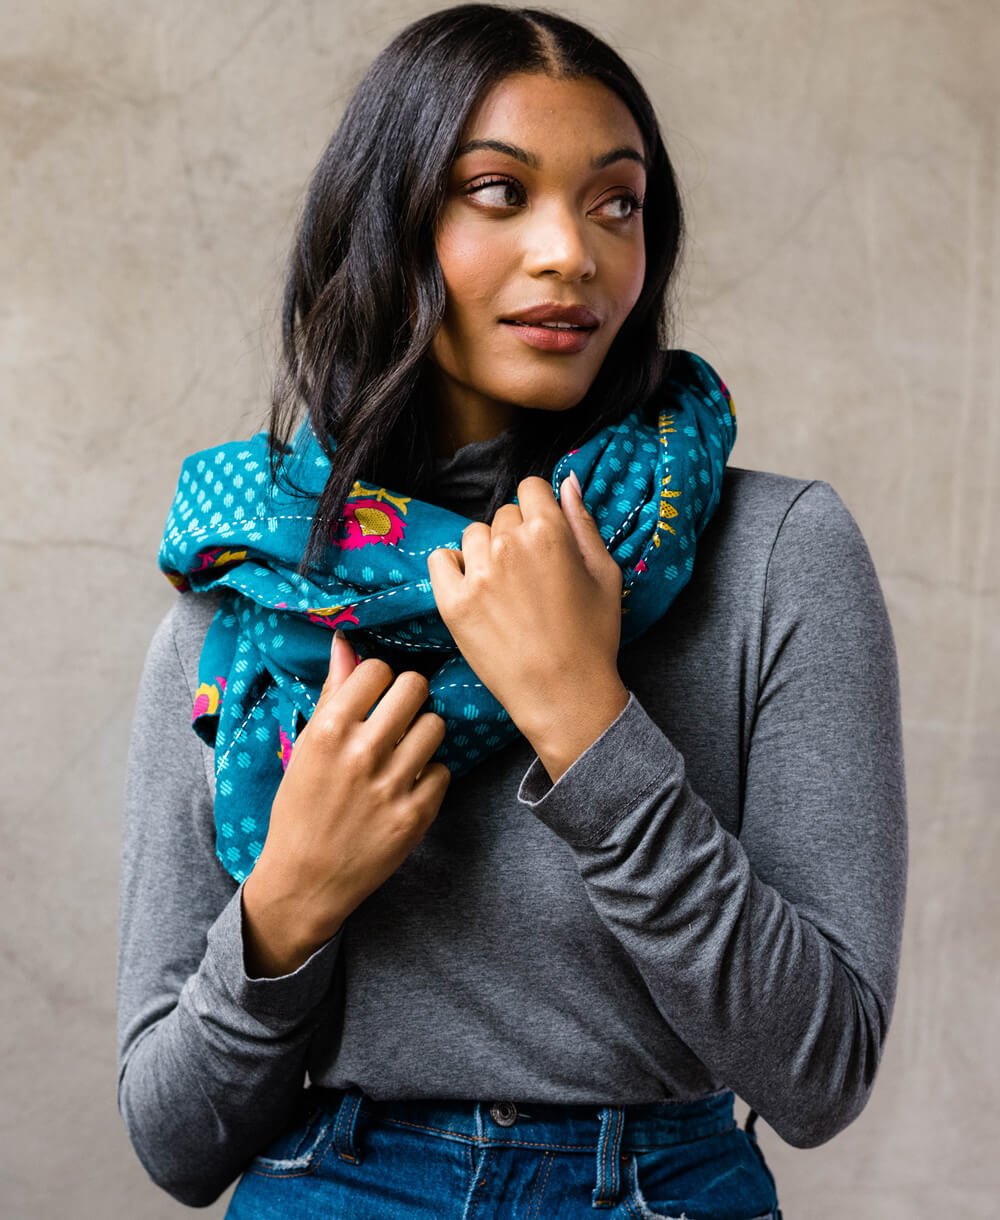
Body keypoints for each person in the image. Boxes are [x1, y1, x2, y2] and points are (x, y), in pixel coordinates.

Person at [116, 6, 908, 1218]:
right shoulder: (254, 591)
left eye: (615, 202)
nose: (572, 254)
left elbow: (818, 1072)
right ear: (387, 222)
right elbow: (174, 1142)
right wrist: (289, 902)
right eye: (497, 191)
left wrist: (584, 718)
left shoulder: (774, 556)